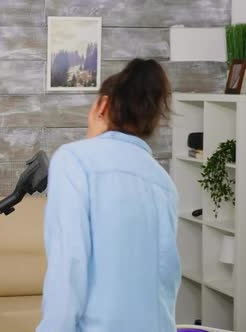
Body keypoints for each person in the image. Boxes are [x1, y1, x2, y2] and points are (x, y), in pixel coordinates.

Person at [37, 58, 180, 332]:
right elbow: (167, 277)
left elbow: (69, 266)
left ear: (103, 105)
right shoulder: (162, 181)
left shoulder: (74, 160)